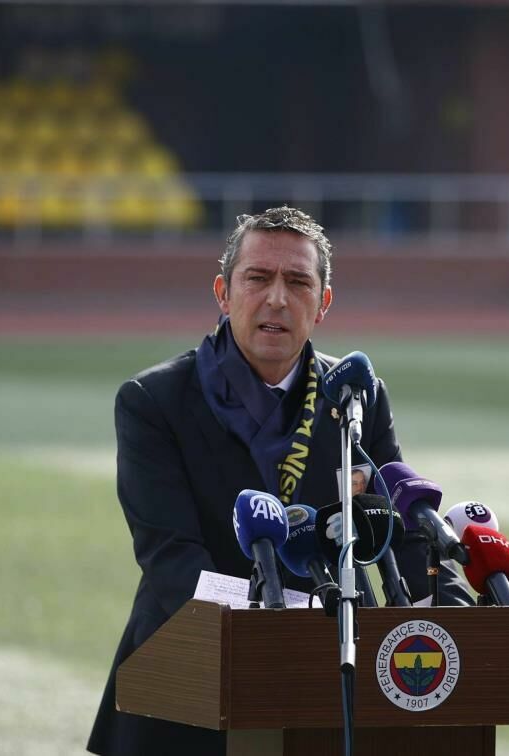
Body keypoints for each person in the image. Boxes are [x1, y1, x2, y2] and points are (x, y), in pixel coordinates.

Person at [87, 206, 472, 756]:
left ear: (324, 302)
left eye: (297, 282)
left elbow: (399, 530)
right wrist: (274, 622)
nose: (276, 298)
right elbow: (170, 557)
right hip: (186, 679)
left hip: (324, 680)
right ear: (223, 293)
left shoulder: (356, 397)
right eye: (257, 278)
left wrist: (460, 616)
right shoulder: (154, 401)